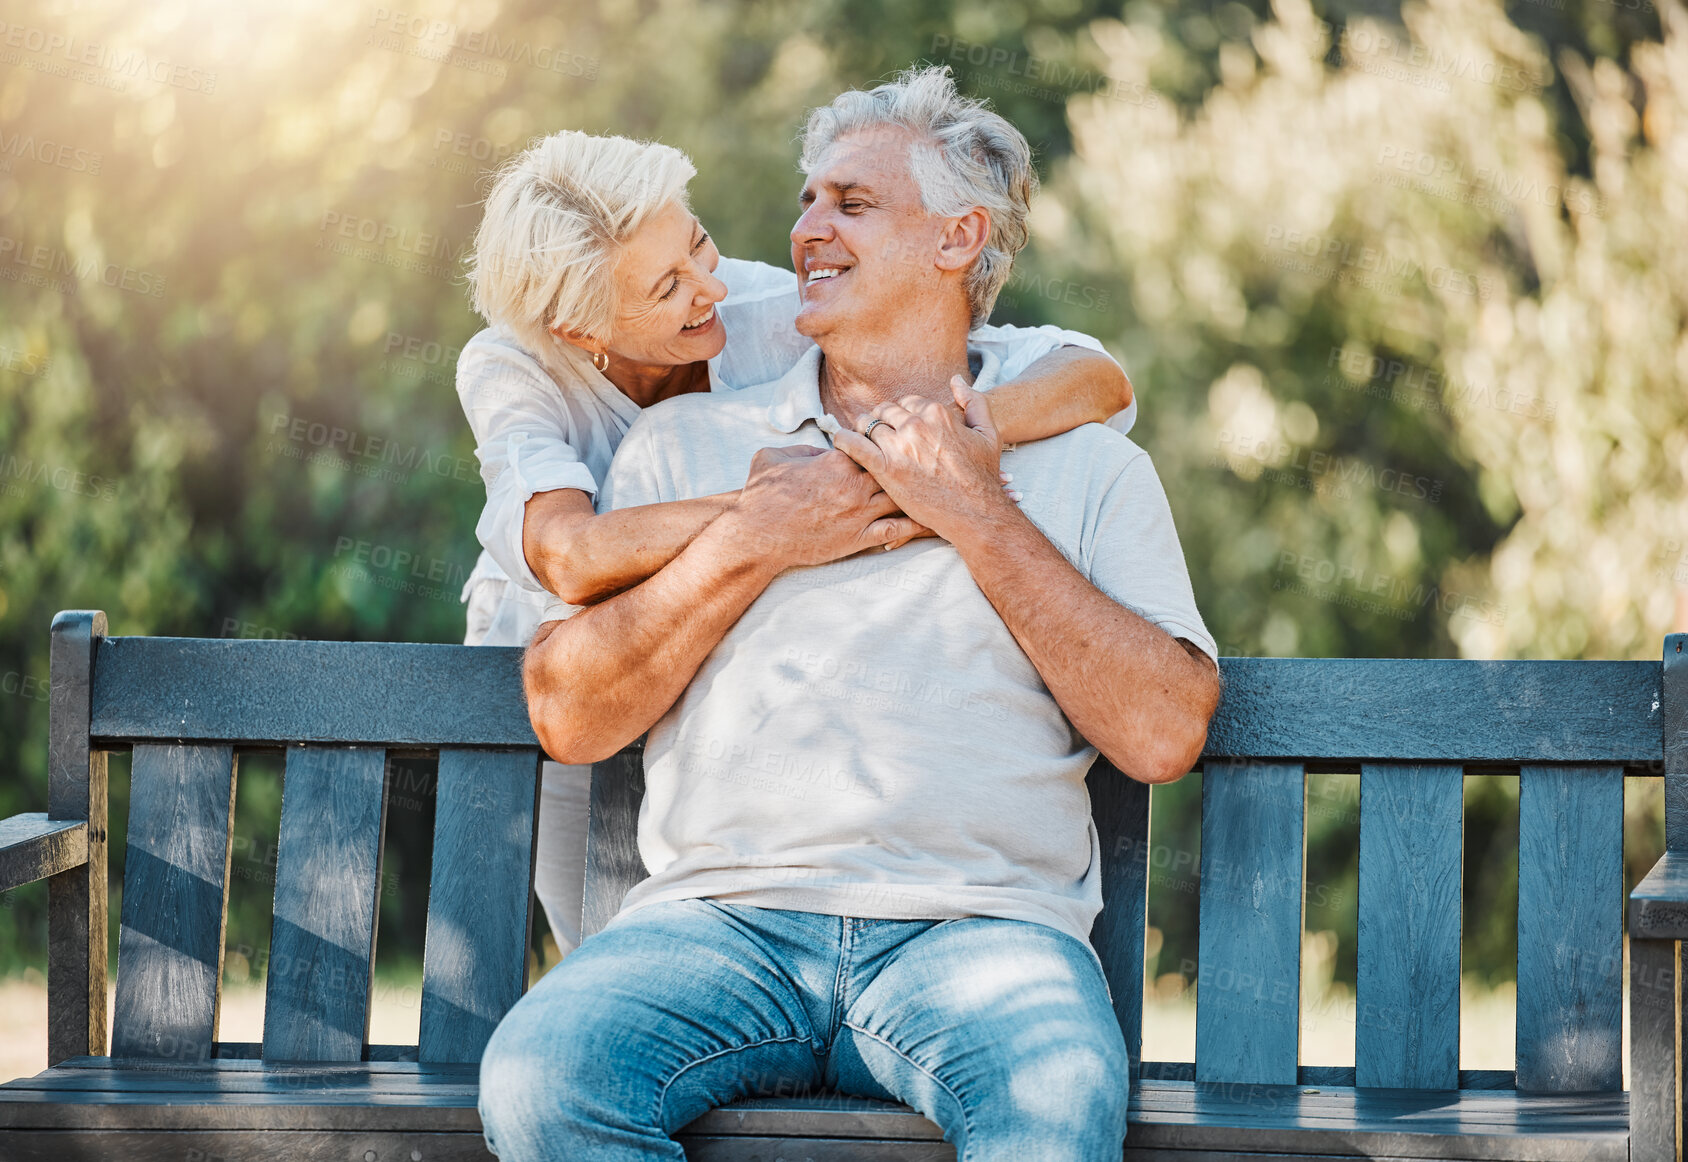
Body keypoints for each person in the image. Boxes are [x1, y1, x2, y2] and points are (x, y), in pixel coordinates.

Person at [479, 67, 1220, 1162]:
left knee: (1054, 1114)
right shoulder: (682, 450)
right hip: (718, 924)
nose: (802, 230)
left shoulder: (1089, 471)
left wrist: (975, 506)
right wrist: (753, 536)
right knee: (545, 1084)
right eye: (807, 198)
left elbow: (1165, 730)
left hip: (983, 934)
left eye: (851, 204)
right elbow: (568, 714)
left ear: (959, 237)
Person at [455, 129, 1140, 955]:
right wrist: (775, 512)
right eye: (667, 288)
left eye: (699, 242)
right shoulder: (512, 365)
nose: (710, 284)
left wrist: (932, 447)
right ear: (579, 329)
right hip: (572, 653)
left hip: (722, 636)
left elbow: (1093, 375)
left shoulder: (759, 308)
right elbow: (568, 552)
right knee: (592, 931)